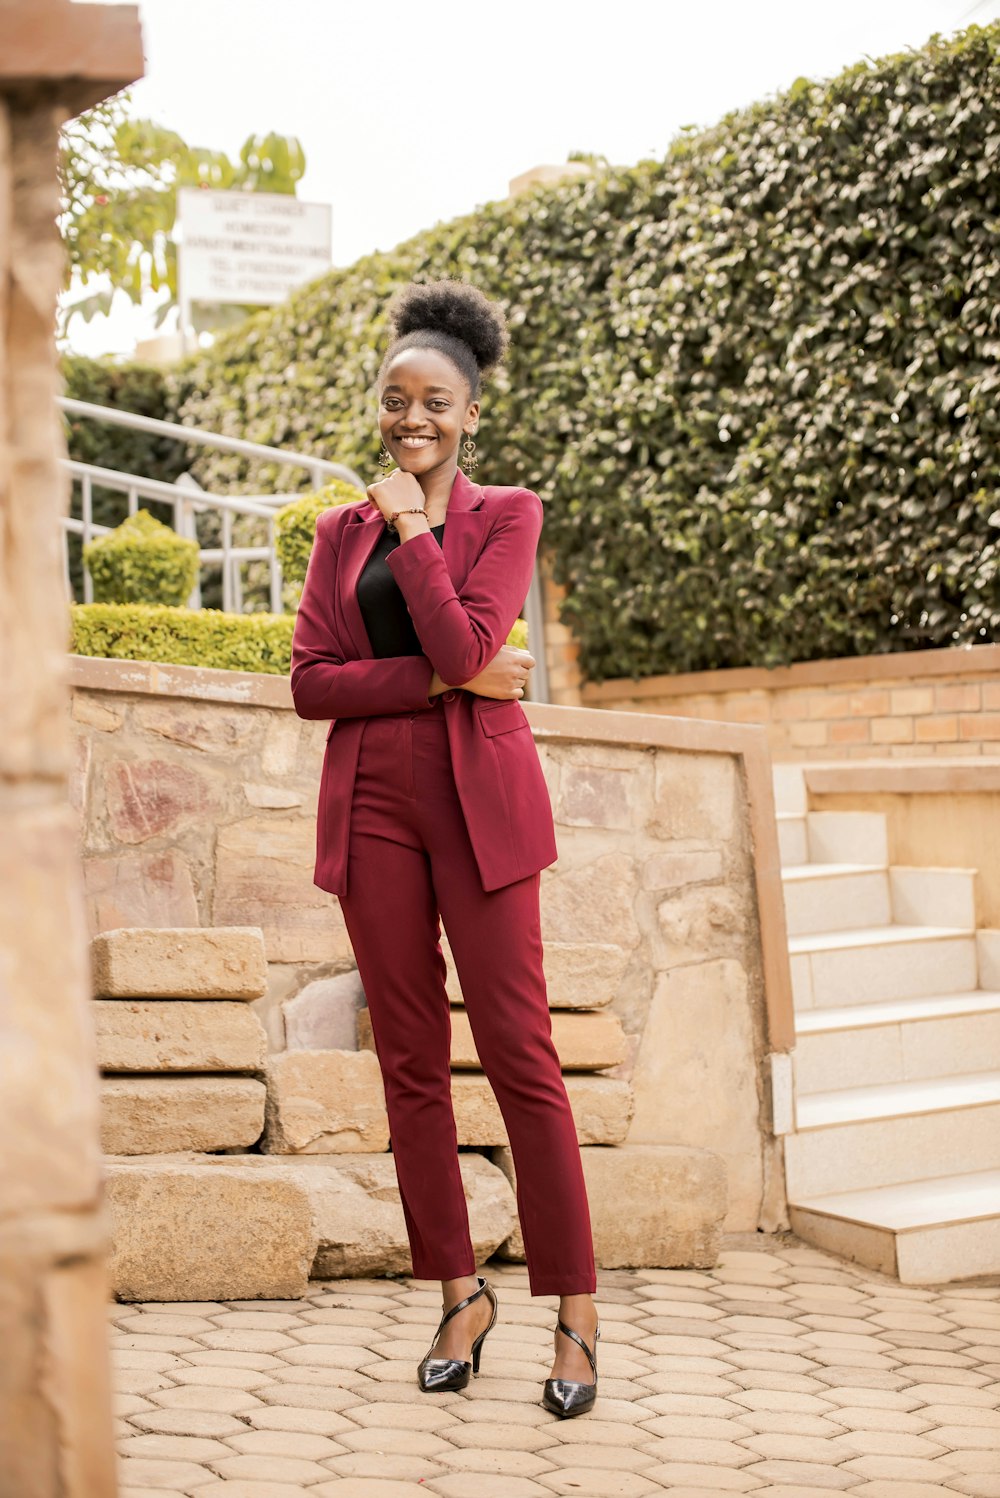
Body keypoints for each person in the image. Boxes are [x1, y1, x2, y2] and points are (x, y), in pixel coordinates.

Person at [290, 278, 600, 1418]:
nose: (409, 418)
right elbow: (312, 682)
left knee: (522, 1058)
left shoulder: (504, 512)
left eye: (433, 402)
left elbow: (476, 628)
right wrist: (437, 678)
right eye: (393, 399)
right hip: (372, 803)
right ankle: (458, 1293)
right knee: (409, 1065)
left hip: (481, 808)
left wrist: (417, 529)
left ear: (469, 413)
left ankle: (574, 1310)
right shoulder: (337, 531)